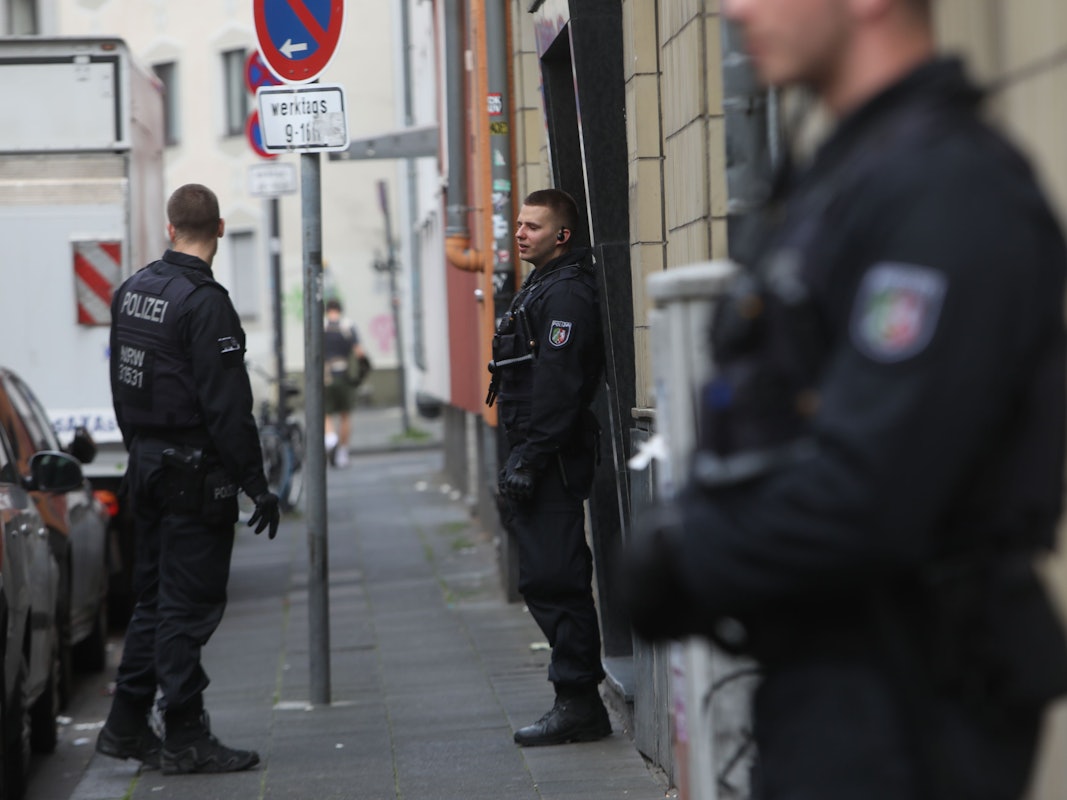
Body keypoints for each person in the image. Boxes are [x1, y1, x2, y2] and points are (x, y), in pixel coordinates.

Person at [624, 1, 1067, 799]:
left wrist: (689, 554)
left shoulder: (945, 187)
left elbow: (870, 486)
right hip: (832, 678)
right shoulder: (849, 175)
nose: (734, 9)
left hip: (910, 697)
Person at [96, 183, 280, 774]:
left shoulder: (133, 291)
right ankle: (184, 734)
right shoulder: (205, 303)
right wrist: (256, 483)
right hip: (193, 477)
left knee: (152, 602)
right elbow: (228, 407)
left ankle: (126, 725)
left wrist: (140, 453)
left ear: (170, 227)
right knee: (187, 608)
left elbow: (123, 388)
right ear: (220, 229)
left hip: (146, 466)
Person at [488, 189, 610, 746]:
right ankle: (575, 698)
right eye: (518, 224)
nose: (519, 233)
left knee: (557, 580)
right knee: (543, 577)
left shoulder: (566, 296)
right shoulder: (540, 287)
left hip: (551, 461)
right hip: (534, 456)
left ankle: (579, 702)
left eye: (532, 227)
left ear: (561, 235)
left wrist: (531, 460)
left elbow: (559, 390)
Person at [323, 297, 367, 468]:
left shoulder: (321, 326)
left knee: (326, 414)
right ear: (340, 310)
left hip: (326, 376)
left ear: (327, 310)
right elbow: (360, 353)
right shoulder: (348, 326)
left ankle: (330, 438)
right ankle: (342, 453)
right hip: (345, 376)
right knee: (345, 415)